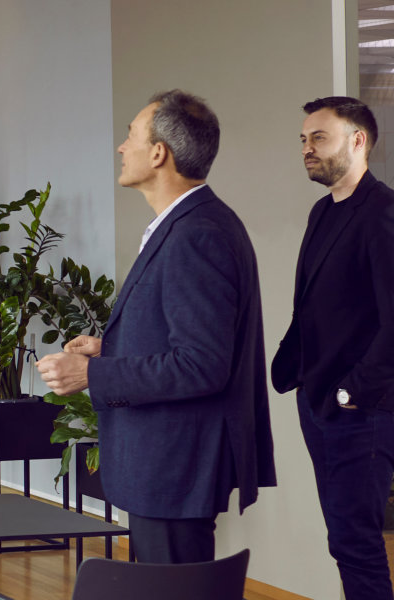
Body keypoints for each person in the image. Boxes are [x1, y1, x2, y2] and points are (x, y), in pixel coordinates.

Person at [37, 89, 276, 564]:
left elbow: (203, 365)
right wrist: (111, 348)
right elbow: (188, 339)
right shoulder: (192, 224)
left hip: (174, 467)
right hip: (170, 466)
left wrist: (90, 375)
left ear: (159, 153)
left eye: (130, 136)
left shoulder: (197, 235)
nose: (121, 148)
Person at [273, 96, 394, 599]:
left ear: (358, 140)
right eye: (303, 139)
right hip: (320, 402)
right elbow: (312, 307)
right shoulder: (322, 212)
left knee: (356, 542)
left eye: (318, 137)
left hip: (361, 411)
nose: (307, 148)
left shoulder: (383, 213)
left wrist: (352, 393)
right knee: (343, 540)